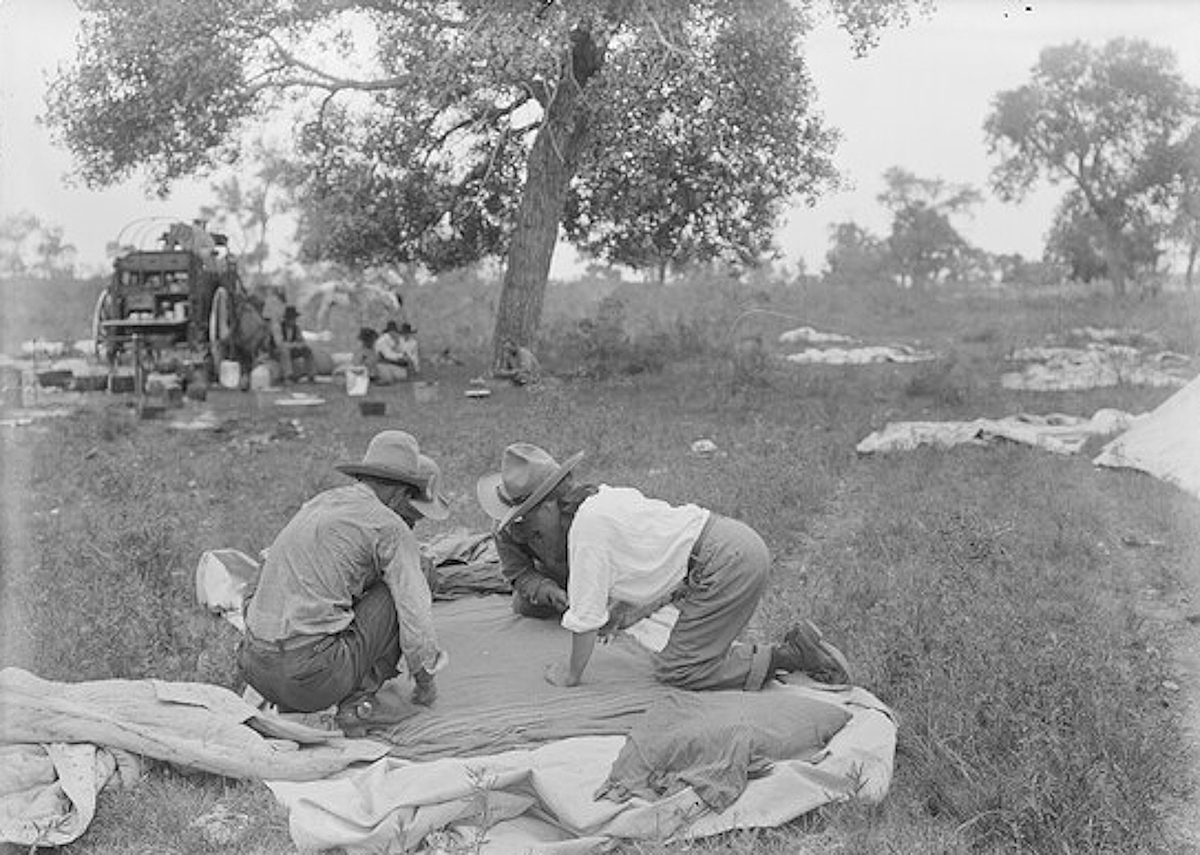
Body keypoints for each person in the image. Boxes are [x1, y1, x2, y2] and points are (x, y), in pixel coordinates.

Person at [476, 443, 852, 692]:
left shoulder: (586, 531)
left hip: (724, 564)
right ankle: (778, 652)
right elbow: (656, 562)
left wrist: (571, 674)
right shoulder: (601, 501)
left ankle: (789, 656)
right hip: (729, 546)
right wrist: (624, 611)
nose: (523, 527)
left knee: (680, 672)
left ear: (546, 506)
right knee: (690, 654)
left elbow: (585, 618)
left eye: (528, 517)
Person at [237, 430, 451, 730]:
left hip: (254, 668)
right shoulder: (389, 526)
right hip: (311, 679)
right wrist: (425, 682)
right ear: (402, 495)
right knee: (409, 584)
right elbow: (415, 615)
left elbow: (263, 568)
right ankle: (356, 706)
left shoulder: (319, 503)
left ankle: (295, 694)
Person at [476, 444, 592, 619]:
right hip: (558, 582)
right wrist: (545, 590)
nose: (521, 525)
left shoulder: (589, 512)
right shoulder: (505, 528)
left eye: (528, 513)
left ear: (553, 502)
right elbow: (518, 572)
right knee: (523, 605)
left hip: (600, 577)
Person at [278, 305, 315, 383]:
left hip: (291, 349)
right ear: (287, 319)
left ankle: (311, 374)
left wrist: (301, 345)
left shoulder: (296, 328)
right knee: (284, 351)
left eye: (294, 319)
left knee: (307, 350)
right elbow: (280, 344)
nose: (293, 321)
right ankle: (288, 375)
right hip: (277, 351)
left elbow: (301, 340)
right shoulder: (279, 328)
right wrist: (295, 345)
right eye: (291, 319)